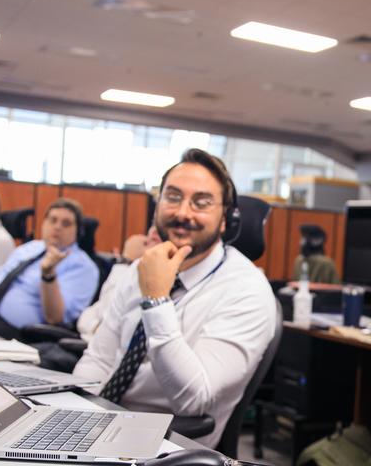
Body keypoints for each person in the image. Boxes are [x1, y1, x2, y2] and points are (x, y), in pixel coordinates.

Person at [75, 149, 275, 447]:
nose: (183, 213)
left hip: (167, 451)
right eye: (173, 197)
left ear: (226, 220)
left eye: (201, 203)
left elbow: (194, 401)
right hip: (101, 428)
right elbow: (99, 359)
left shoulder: (247, 290)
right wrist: (76, 417)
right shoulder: (142, 267)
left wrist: (157, 301)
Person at [0, 198, 100, 338]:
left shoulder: (84, 267)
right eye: (52, 220)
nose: (57, 227)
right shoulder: (29, 248)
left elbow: (55, 318)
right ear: (43, 224)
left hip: (15, 334)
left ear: (78, 232)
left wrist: (48, 274)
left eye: (66, 224)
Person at [77, 227, 161, 338]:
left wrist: (127, 261)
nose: (153, 231)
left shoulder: (157, 283)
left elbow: (110, 318)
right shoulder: (130, 271)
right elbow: (85, 317)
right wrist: (96, 327)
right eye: (153, 224)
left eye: (160, 228)